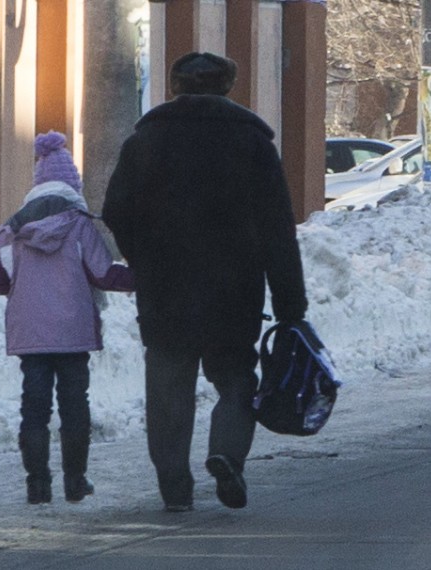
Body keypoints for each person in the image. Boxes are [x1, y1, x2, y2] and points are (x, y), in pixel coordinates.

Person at [102, 52, 308, 511]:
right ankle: (226, 453)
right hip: (233, 288)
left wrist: (146, 256)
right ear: (228, 87)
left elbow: (115, 209)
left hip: (165, 290)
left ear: (174, 86)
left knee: (168, 387)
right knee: (236, 379)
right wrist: (291, 302)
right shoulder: (252, 143)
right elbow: (277, 226)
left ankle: (175, 487)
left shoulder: (147, 139)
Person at [0, 131, 134, 505]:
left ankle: (37, 484)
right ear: (72, 187)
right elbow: (103, 274)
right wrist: (148, 278)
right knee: (74, 404)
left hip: (30, 333)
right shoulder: (80, 224)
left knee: (33, 407)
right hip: (73, 331)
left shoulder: (11, 230)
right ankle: (75, 480)